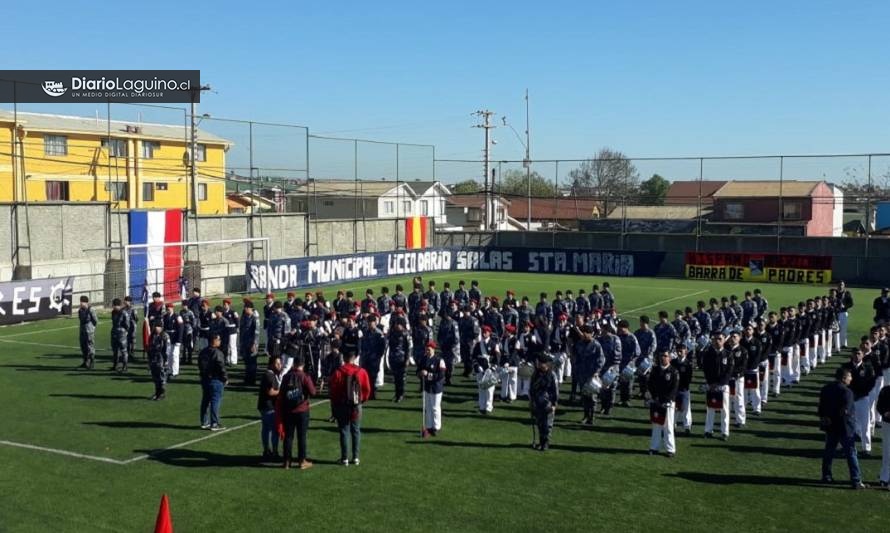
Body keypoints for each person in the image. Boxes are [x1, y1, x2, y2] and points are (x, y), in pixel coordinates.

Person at [818, 367, 866, 489]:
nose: (851, 379)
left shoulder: (826, 389)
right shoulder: (847, 392)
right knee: (851, 454)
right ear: (844, 378)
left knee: (829, 452)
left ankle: (826, 476)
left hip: (830, 426)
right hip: (844, 428)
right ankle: (856, 480)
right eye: (849, 376)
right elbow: (845, 411)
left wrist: (826, 418)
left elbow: (821, 408)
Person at [329, 349, 372, 466]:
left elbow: (333, 389)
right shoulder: (361, 371)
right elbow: (367, 389)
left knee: (344, 431)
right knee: (356, 430)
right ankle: (356, 457)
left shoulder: (338, 371)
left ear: (344, 358)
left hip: (342, 405)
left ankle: (344, 458)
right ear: (354, 358)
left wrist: (336, 403)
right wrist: (362, 400)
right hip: (356, 405)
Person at [278, 353, 317, 470]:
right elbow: (313, 392)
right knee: (302, 437)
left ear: (294, 364)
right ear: (303, 365)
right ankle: (301, 461)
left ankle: (286, 461)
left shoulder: (286, 377)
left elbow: (281, 393)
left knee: (288, 437)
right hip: (302, 410)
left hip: (289, 410)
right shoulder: (304, 377)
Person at [842, 347, 876, 456]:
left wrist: (861, 393)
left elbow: (871, 382)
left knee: (865, 423)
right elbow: (842, 382)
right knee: (847, 424)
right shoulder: (846, 367)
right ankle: (847, 447)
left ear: (862, 355)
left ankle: (866, 448)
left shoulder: (867, 367)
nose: (857, 356)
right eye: (855, 354)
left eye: (859, 354)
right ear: (852, 355)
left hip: (863, 398)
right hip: (849, 399)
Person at [648, 350, 679, 457]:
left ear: (670, 358)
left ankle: (670, 449)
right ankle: (654, 447)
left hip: (668, 403)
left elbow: (674, 388)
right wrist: (655, 397)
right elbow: (650, 384)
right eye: (661, 355)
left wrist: (667, 400)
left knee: (668, 426)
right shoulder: (655, 370)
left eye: (665, 356)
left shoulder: (673, 371)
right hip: (657, 401)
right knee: (656, 424)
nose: (663, 358)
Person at [702, 332, 732, 440]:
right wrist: (711, 383)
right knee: (710, 408)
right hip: (711, 385)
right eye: (715, 339)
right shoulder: (708, 354)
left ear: (724, 340)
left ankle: (724, 432)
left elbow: (729, 371)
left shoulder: (728, 354)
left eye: (720, 339)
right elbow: (706, 370)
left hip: (723, 386)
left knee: (724, 410)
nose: (717, 341)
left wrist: (719, 383)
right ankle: (708, 431)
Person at [529, 353, 559, 451]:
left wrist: (554, 404)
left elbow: (555, 391)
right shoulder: (535, 374)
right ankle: (541, 442)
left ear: (545, 364)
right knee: (539, 423)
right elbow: (531, 389)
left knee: (547, 424)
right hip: (537, 402)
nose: (538, 364)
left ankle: (545, 443)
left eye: (540, 363)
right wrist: (531, 401)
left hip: (548, 403)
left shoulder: (552, 375)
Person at [198, 333, 228, 430]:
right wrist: (225, 378)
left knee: (205, 401)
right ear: (214, 341)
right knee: (215, 401)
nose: (220, 341)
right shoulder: (217, 353)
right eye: (218, 339)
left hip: (205, 379)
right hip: (215, 379)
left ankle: (204, 421)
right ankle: (214, 423)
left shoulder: (203, 352)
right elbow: (221, 367)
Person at [419, 341, 446, 436]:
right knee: (428, 407)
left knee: (435, 408)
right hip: (427, 387)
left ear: (433, 349)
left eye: (429, 349)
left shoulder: (439, 360)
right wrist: (420, 373)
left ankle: (437, 427)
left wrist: (428, 375)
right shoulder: (424, 359)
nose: (427, 351)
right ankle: (429, 426)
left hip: (436, 388)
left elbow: (441, 375)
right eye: (427, 349)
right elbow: (418, 370)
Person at [258, 355, 282, 460]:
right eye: (277, 363)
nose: (279, 365)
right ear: (271, 364)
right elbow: (271, 392)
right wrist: (282, 392)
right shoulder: (270, 375)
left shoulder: (269, 374)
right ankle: (274, 451)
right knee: (273, 430)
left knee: (266, 429)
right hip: (269, 406)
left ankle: (266, 450)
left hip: (264, 405)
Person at [360, 315, 387, 399]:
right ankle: (367, 393)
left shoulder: (379, 333)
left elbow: (382, 347)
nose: (370, 324)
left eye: (371, 322)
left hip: (374, 358)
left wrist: (378, 356)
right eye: (369, 322)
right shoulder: (366, 332)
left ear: (375, 322)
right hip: (366, 357)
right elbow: (363, 344)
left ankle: (372, 393)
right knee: (366, 376)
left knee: (373, 376)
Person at [672, 343, 694, 435]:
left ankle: (687, 426)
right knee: (674, 408)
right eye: (678, 350)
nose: (680, 352)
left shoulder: (688, 364)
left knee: (685, 408)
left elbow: (688, 378)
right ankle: (672, 425)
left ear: (686, 351)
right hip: (674, 389)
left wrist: (682, 386)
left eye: (682, 350)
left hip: (684, 389)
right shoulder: (673, 362)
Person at [147, 319, 170, 401]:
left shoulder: (165, 336)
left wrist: (166, 361)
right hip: (153, 358)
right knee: (155, 377)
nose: (156, 328)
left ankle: (162, 393)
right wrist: (149, 359)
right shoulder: (152, 335)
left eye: (158, 326)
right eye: (155, 326)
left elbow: (167, 350)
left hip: (161, 359)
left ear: (161, 327)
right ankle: (157, 393)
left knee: (162, 377)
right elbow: (149, 347)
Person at [239, 300, 261, 385]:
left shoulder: (254, 318)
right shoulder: (244, 317)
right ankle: (247, 379)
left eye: (247, 307)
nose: (245, 309)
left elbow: (257, 332)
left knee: (252, 363)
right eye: (245, 307)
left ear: (251, 308)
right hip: (245, 343)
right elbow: (241, 330)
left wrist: (254, 344)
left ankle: (252, 380)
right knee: (247, 362)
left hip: (252, 344)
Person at [109, 298, 131, 373]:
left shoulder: (124, 313)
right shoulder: (113, 312)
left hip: (122, 334)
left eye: (114, 306)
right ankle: (115, 365)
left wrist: (125, 332)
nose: (113, 307)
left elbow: (127, 324)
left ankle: (125, 366)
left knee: (123, 350)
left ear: (118, 305)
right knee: (115, 350)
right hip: (114, 333)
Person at [77, 295, 98, 370]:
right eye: (80, 302)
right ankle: (85, 362)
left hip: (89, 331)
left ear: (85, 302)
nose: (80, 303)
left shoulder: (91, 309)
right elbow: (80, 320)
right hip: (82, 331)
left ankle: (92, 362)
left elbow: (95, 320)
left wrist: (92, 328)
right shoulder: (80, 310)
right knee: (83, 347)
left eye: (82, 302)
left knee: (90, 347)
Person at [877, 383, 890, 489]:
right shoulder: (885, 390)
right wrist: (884, 413)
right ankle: (884, 477)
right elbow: (879, 406)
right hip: (887, 424)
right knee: (887, 451)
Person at [837, 281, 854, 349]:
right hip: (836, 313)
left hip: (844, 313)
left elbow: (851, 303)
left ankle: (843, 344)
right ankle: (836, 343)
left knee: (843, 329)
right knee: (836, 329)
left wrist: (845, 306)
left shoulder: (847, 293)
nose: (840, 286)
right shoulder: (835, 293)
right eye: (839, 284)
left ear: (844, 286)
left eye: (842, 285)